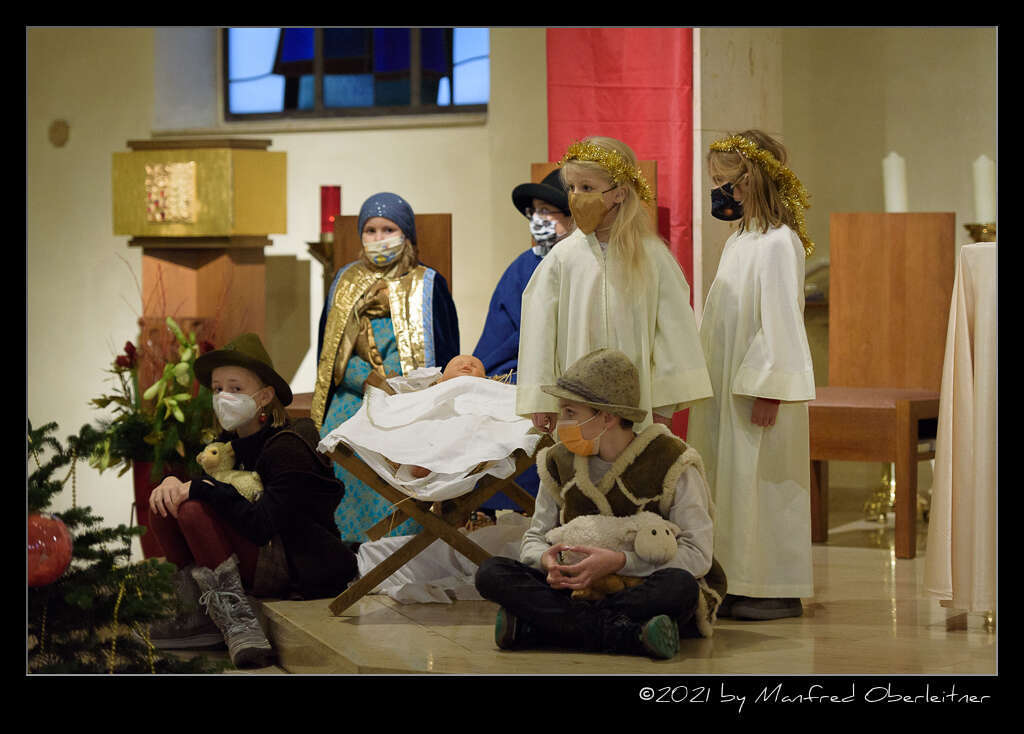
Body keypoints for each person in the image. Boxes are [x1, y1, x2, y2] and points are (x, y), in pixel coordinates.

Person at [475, 349, 726, 660]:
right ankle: (627, 634)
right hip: (575, 586)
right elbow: (535, 537)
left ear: (607, 417)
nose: (561, 423)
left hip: (639, 584)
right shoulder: (557, 461)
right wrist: (546, 561)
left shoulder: (672, 460)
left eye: (570, 412)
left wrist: (620, 562)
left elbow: (698, 554)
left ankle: (546, 628)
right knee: (491, 573)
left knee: (680, 588)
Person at [144, 333, 359, 668]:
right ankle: (196, 612)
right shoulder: (227, 445)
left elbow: (262, 525)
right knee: (165, 505)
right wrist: (172, 482)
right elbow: (202, 486)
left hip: (298, 564)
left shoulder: (288, 445)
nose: (223, 397)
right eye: (217, 389)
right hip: (258, 556)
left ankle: (239, 622)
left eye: (235, 388)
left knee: (193, 510)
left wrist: (201, 489)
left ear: (264, 396)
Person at [686, 130, 817, 621]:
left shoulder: (779, 242)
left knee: (763, 485)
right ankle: (738, 579)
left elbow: (781, 320)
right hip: (728, 384)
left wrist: (770, 389)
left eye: (723, 180)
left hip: (758, 390)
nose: (718, 191)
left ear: (749, 181)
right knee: (733, 484)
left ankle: (775, 586)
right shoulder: (741, 239)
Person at [516, 136, 712, 436]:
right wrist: (541, 400)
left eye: (587, 188)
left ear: (619, 193)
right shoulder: (562, 258)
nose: (576, 197)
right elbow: (540, 330)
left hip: (637, 405)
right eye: (572, 188)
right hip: (575, 401)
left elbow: (672, 333)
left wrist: (664, 407)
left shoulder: (652, 257)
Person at [312, 192, 460, 542]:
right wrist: (366, 378)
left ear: (406, 234)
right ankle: (345, 544)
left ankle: (399, 544)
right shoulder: (345, 281)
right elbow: (331, 350)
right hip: (355, 392)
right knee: (340, 445)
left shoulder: (428, 283)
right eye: (371, 230)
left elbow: (445, 346)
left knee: (402, 456)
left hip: (411, 400)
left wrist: (404, 384)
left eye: (389, 229)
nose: (379, 238)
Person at [473, 169, 574, 515]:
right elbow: (501, 335)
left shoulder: (583, 265)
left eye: (547, 211)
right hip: (515, 373)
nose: (538, 220)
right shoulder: (523, 266)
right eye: (534, 212)